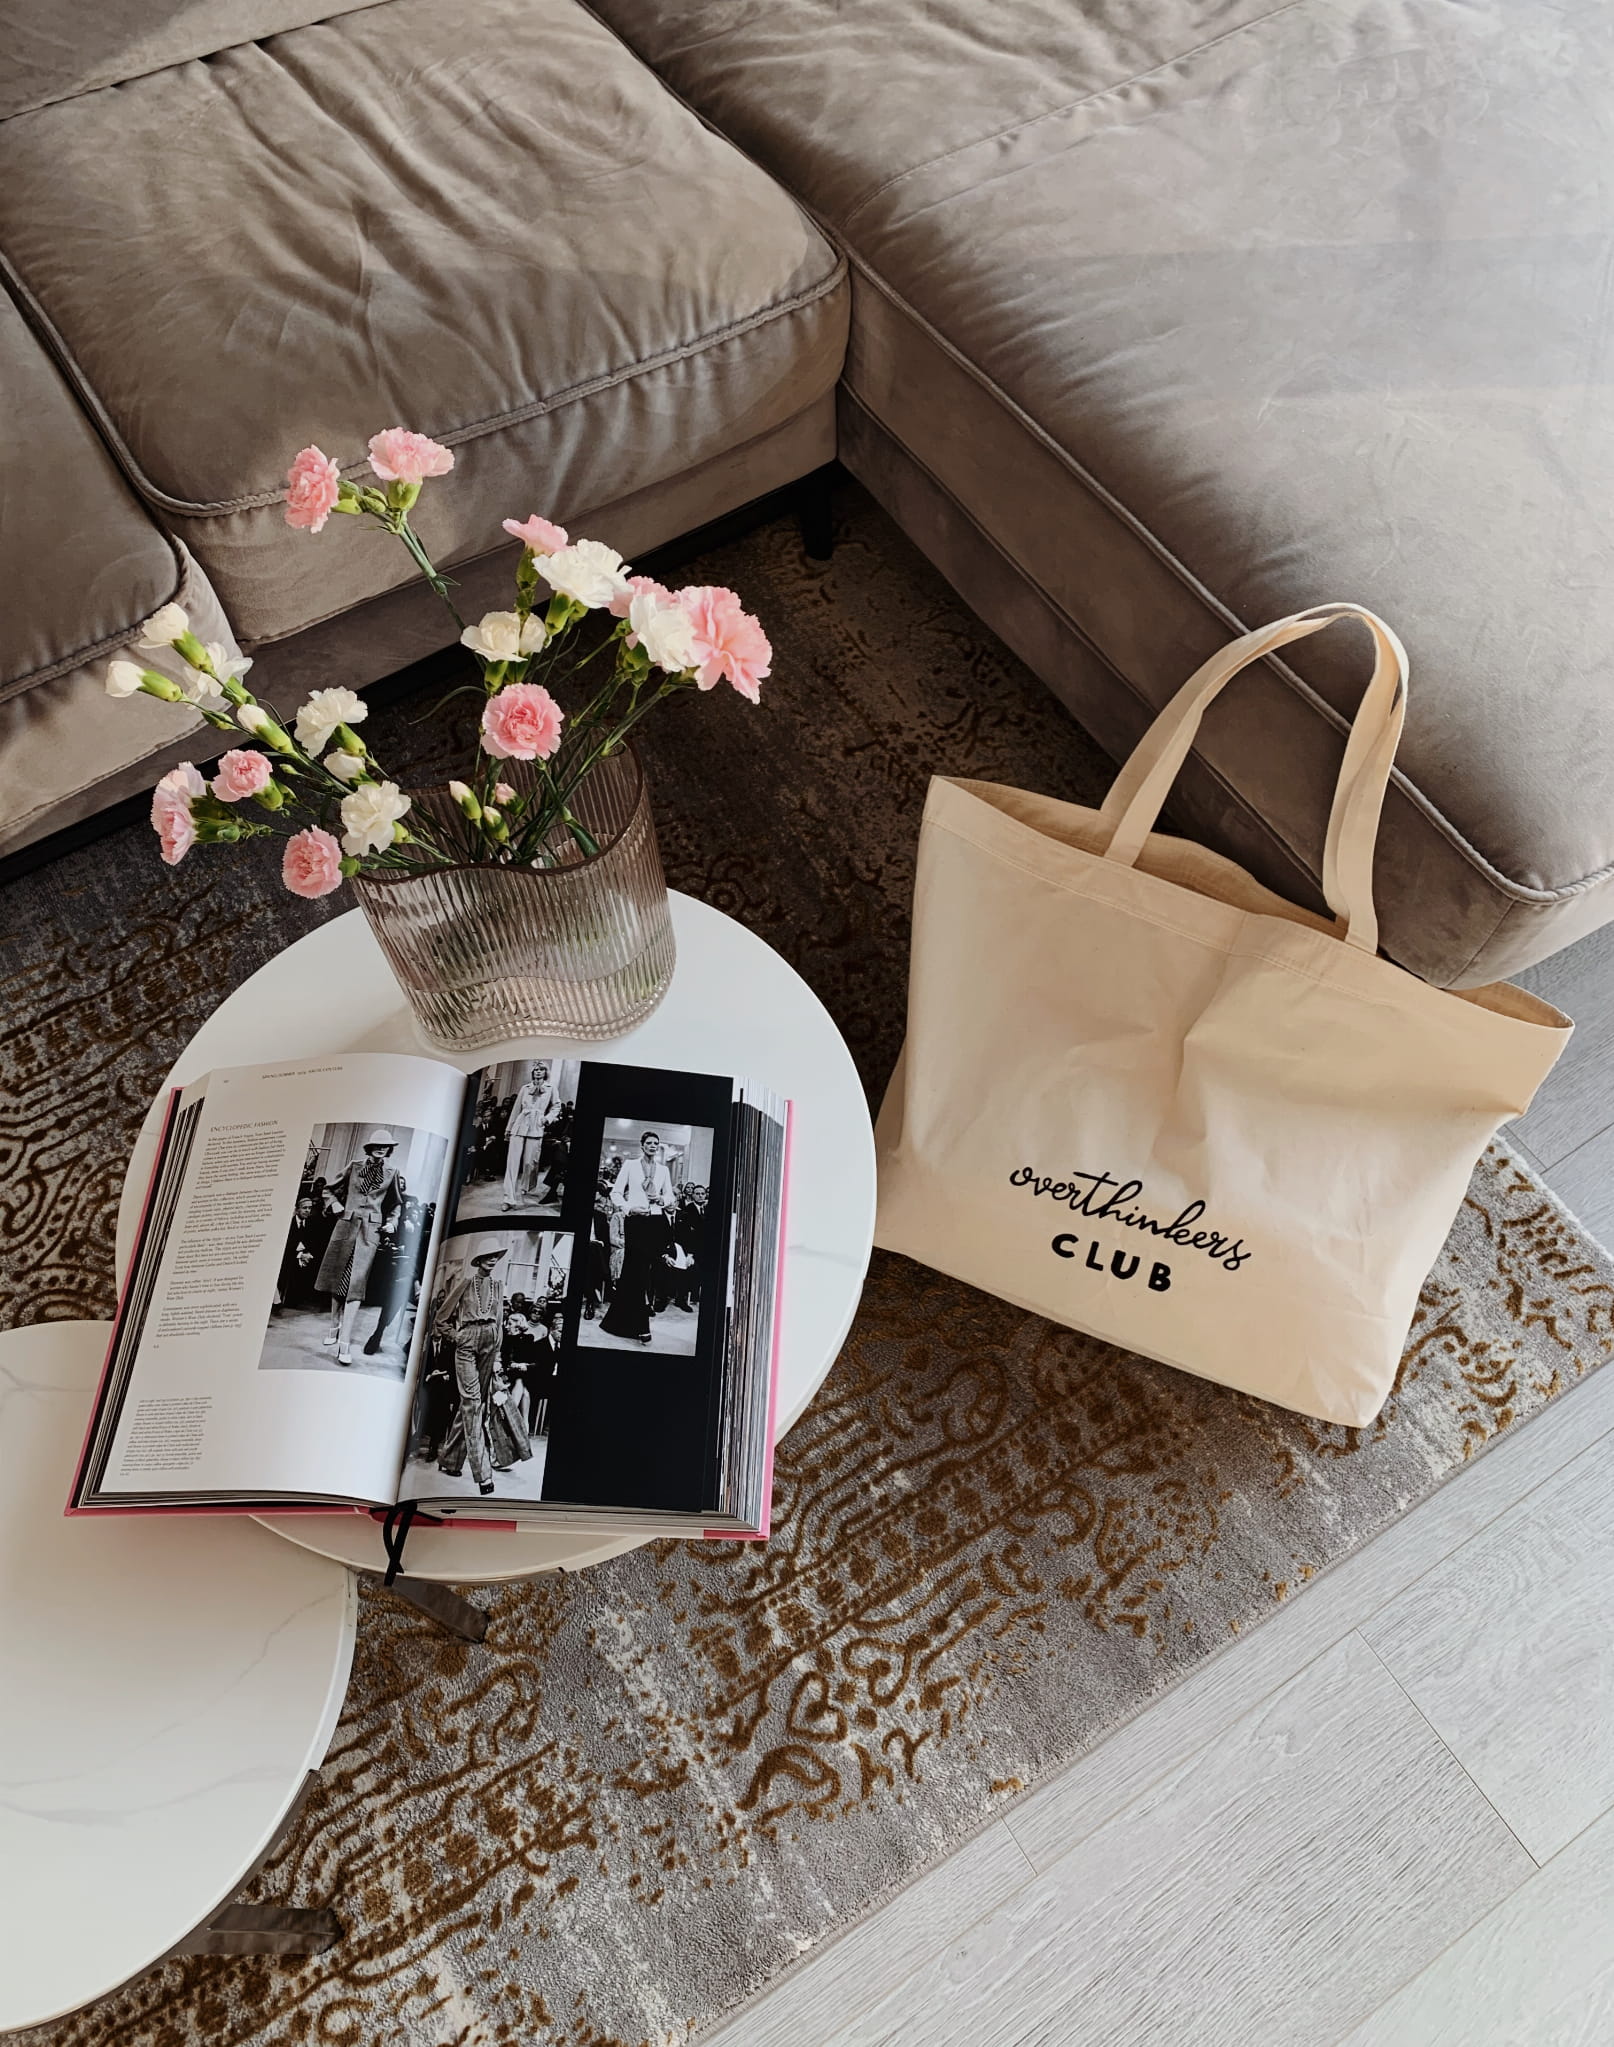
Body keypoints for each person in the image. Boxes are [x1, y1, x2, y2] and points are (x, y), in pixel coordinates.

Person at [316, 1128, 404, 1365]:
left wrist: (392, 1222)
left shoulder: (392, 1172)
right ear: (369, 1147)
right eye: (377, 1145)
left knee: (356, 1284)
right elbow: (328, 1190)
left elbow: (396, 1204)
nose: (381, 1148)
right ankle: (334, 1325)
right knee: (338, 1279)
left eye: (386, 1146)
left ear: (389, 1149)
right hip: (345, 1226)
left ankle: (344, 1343)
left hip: (370, 1232)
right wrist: (334, 1204)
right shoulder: (354, 1166)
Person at [432, 1235, 508, 1495]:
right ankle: (483, 1474)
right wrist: (456, 1337)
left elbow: (499, 1323)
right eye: (488, 1256)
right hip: (467, 1342)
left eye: (496, 1256)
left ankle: (449, 1460)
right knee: (473, 1404)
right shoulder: (465, 1282)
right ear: (479, 1259)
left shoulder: (498, 1286)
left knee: (471, 1404)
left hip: (490, 1342)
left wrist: (497, 1356)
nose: (492, 1259)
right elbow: (441, 1318)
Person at [600, 1131, 677, 1345]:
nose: (653, 1146)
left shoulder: (663, 1170)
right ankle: (641, 1325)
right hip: (635, 1222)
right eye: (649, 1143)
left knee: (645, 1273)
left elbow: (670, 1195)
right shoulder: (630, 1165)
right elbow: (616, 1193)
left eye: (656, 1143)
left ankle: (619, 1322)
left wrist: (662, 1199)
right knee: (637, 1273)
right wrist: (628, 1208)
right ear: (642, 1145)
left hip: (657, 1222)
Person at [363, 1194, 429, 1359]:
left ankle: (412, 1343)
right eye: (410, 1209)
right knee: (396, 1290)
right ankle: (378, 1333)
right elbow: (414, 1262)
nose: (413, 1213)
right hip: (410, 1277)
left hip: (429, 1282)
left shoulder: (426, 1232)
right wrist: (416, 1283)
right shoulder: (410, 1230)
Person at [503, 1062, 560, 1209]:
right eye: (536, 1070)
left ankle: (526, 1186)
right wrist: (509, 1128)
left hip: (536, 1126)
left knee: (530, 1162)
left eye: (541, 1070)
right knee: (512, 1163)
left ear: (545, 1072)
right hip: (519, 1125)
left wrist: (546, 1119)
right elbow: (516, 1109)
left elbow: (557, 1106)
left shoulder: (551, 1088)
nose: (538, 1072)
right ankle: (508, 1198)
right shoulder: (525, 1088)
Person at [275, 1194, 323, 1312]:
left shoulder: (311, 1224)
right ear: (297, 1209)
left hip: (304, 1256)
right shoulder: (289, 1224)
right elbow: (286, 1246)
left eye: (309, 1208)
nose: (307, 1210)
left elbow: (314, 1243)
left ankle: (303, 1298)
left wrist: (308, 1254)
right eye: (304, 1208)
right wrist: (300, 1255)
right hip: (288, 1256)